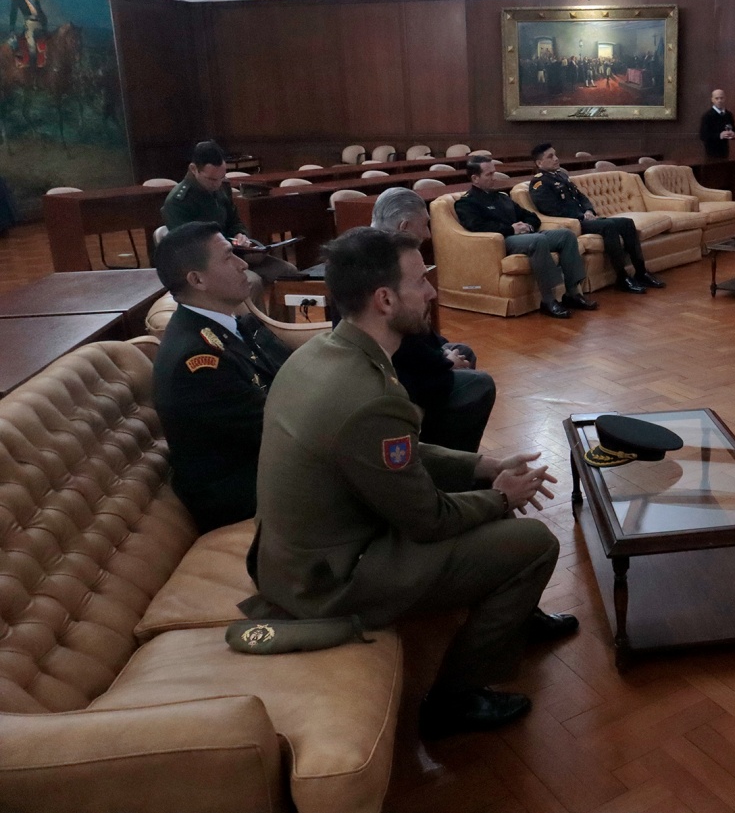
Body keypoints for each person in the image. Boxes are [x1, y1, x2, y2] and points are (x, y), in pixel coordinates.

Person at [246, 226, 577, 737]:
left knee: (489, 504)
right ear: (384, 299)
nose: (431, 292)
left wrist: (482, 467)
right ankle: (454, 700)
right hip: (329, 581)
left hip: (296, 558)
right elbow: (429, 520)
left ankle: (512, 613)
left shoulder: (321, 353)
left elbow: (391, 454)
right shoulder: (370, 393)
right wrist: (498, 497)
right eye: (420, 281)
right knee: (535, 543)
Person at [152, 221, 293, 532]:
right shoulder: (197, 361)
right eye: (229, 257)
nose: (243, 265)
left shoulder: (234, 324)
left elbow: (292, 375)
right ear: (197, 279)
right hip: (242, 492)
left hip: (270, 462)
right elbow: (277, 428)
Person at [371, 187, 497, 452]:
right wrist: (444, 363)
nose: (428, 234)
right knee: (481, 384)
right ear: (404, 227)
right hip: (394, 376)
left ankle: (447, 442)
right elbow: (400, 343)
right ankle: (453, 459)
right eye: (425, 225)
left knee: (462, 351)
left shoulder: (372, 250)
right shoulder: (383, 265)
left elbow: (416, 334)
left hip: (408, 359)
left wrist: (443, 353)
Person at [454, 156, 597, 319]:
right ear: (475, 178)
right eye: (489, 174)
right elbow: (477, 226)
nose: (494, 177)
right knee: (538, 240)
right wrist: (512, 229)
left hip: (526, 234)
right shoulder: (467, 203)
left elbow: (531, 216)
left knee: (566, 235)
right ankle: (548, 300)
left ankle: (572, 293)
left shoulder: (501, 197)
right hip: (502, 240)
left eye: (494, 173)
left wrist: (527, 225)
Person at [528, 142, 664, 294]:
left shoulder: (561, 175)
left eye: (555, 155)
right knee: (608, 226)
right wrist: (581, 216)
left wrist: (589, 210)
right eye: (550, 156)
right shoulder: (539, 183)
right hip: (574, 223)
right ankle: (622, 277)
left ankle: (641, 272)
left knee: (627, 223)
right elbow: (552, 209)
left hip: (585, 218)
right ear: (539, 163)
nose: (556, 158)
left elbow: (581, 197)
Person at [162, 141, 298, 291]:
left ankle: (277, 308)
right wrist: (229, 247)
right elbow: (190, 247)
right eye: (212, 179)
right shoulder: (178, 202)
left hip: (236, 254)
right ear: (194, 169)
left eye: (222, 177)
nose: (217, 184)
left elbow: (234, 221)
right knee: (252, 282)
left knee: (288, 272)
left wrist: (241, 235)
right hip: (207, 265)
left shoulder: (222, 188)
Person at [9, 0, 45, 69]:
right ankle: (32, 68)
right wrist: (12, 28)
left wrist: (44, 22)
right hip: (29, 24)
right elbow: (13, 13)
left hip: (39, 22)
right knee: (31, 45)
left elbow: (40, 11)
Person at [699, 88, 735, 160]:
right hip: (711, 152)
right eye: (717, 98)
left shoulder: (729, 115)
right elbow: (703, 136)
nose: (719, 100)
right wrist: (719, 135)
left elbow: (734, 130)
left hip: (725, 151)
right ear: (712, 100)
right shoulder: (707, 116)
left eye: (721, 98)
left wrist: (733, 134)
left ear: (725, 99)